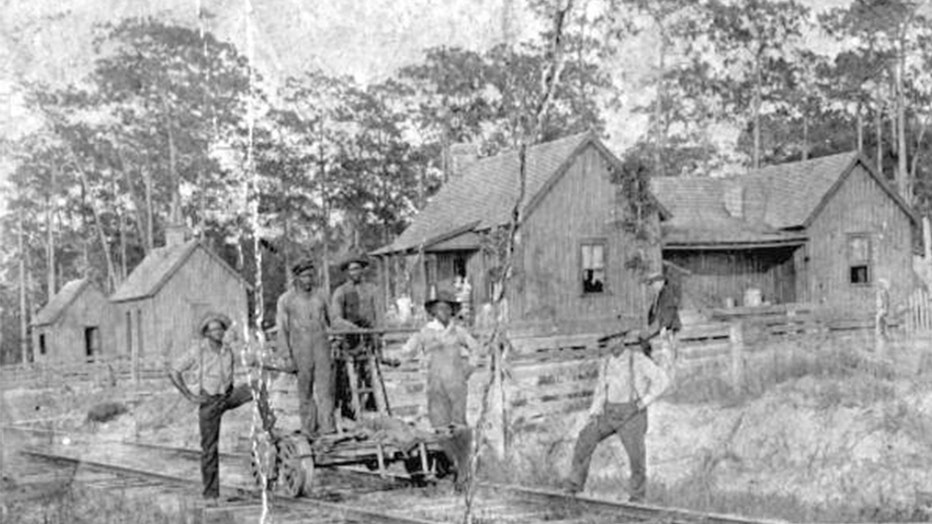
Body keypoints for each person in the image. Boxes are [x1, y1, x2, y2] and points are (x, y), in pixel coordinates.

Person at [168, 312, 275, 503]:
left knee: (258, 384)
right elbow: (174, 371)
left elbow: (249, 360)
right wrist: (190, 396)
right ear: (206, 333)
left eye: (220, 329)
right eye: (214, 330)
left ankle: (269, 429)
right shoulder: (197, 351)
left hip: (227, 396)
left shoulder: (228, 350)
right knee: (209, 449)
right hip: (209, 402)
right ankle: (210, 495)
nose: (218, 332)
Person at [560, 335, 670, 502]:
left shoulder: (637, 359)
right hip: (609, 413)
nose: (609, 345)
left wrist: (644, 402)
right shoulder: (606, 362)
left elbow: (662, 380)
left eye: (611, 340)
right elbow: (600, 391)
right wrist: (594, 413)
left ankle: (637, 497)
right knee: (585, 438)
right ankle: (574, 486)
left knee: (636, 457)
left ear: (621, 339)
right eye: (606, 342)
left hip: (632, 415)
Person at [401, 284, 481, 491]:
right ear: (433, 311)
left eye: (447, 309)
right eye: (440, 309)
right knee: (440, 429)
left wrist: (469, 369)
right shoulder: (425, 332)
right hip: (436, 387)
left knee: (459, 429)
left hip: (457, 386)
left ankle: (463, 475)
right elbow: (407, 350)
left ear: (452, 311)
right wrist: (396, 358)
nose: (444, 312)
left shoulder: (459, 331)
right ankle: (449, 468)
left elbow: (476, 349)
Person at [276, 258, 335, 436]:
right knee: (305, 392)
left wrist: (338, 336)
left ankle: (327, 429)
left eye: (311, 276)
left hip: (322, 348)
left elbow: (332, 321)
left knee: (325, 391)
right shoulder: (286, 300)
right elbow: (282, 329)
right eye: (304, 276)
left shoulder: (322, 296)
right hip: (300, 351)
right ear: (296, 278)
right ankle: (309, 429)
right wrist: (287, 356)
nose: (308, 280)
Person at [331, 253, 381, 415]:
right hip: (349, 338)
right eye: (351, 270)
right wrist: (352, 328)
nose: (355, 272)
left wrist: (378, 334)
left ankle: (373, 408)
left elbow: (379, 314)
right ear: (347, 272)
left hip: (369, 337)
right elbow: (336, 318)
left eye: (358, 269)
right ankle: (349, 411)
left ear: (363, 270)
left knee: (370, 374)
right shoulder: (341, 292)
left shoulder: (372, 290)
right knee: (346, 377)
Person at [642, 270, 682, 378]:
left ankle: (671, 376)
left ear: (661, 282)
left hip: (670, 327)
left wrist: (665, 326)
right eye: (652, 284)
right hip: (664, 326)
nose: (653, 286)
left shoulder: (667, 293)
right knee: (665, 351)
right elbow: (654, 312)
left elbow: (669, 310)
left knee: (669, 351)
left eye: (654, 283)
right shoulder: (659, 294)